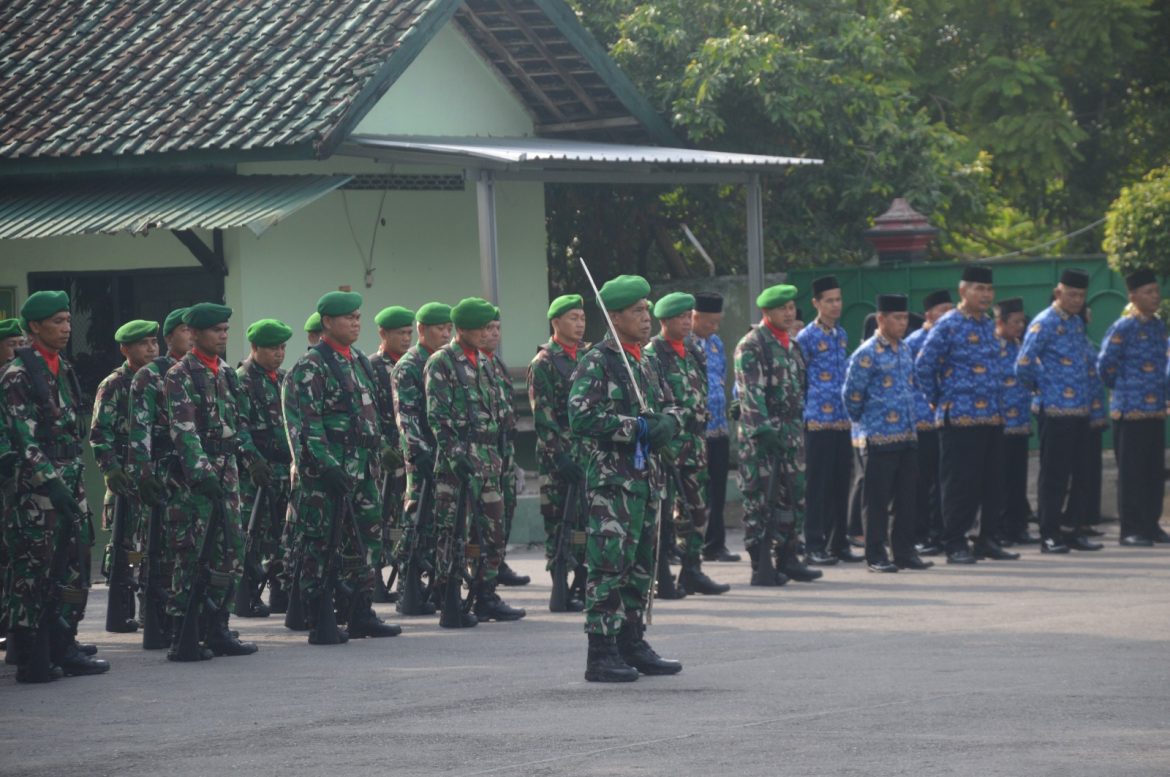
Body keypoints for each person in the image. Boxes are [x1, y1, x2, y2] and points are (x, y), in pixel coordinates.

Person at [569, 274, 682, 682]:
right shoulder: (598, 360)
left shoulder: (645, 360)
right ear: (614, 316)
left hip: (646, 479)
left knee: (639, 566)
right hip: (613, 481)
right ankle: (600, 651)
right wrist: (635, 427)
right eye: (636, 311)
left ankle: (632, 641)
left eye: (647, 309)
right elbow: (581, 417)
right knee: (608, 565)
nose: (646, 317)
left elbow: (670, 406)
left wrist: (668, 424)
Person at [282, 292, 401, 644]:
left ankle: (361, 612)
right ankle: (319, 616)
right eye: (347, 317)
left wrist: (381, 448)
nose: (355, 322)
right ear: (327, 323)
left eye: (357, 317)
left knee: (366, 541)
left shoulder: (359, 361)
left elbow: (370, 413)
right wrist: (325, 465)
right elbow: (305, 426)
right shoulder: (311, 367)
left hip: (362, 470)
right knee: (321, 544)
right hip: (327, 475)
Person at [2, 291, 108, 682]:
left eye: (67, 320)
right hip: (37, 490)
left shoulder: (61, 367)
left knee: (74, 565)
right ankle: (31, 652)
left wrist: (69, 484)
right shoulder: (17, 374)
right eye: (58, 322)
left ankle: (64, 641)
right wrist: (52, 483)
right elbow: (22, 438)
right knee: (35, 570)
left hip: (70, 479)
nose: (66, 328)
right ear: (34, 327)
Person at [164, 303, 261, 660]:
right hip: (196, 479)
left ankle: (218, 623)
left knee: (231, 549)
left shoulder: (226, 374)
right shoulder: (179, 374)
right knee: (192, 553)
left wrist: (248, 460)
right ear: (194, 334)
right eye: (215, 330)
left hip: (228, 470)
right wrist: (203, 473)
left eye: (225, 329)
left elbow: (240, 423)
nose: (223, 335)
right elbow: (183, 430)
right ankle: (183, 630)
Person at [426, 297, 525, 627]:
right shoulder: (443, 362)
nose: (488, 333)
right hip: (458, 462)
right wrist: (455, 455)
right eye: (482, 328)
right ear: (463, 330)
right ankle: (450, 595)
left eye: (490, 327)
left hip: (488, 458)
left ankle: (486, 594)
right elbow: (437, 417)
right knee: (451, 532)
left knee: (492, 530)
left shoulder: (485, 362)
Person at [916, 265, 1016, 564]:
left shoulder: (988, 325)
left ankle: (987, 539)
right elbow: (923, 365)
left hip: (992, 416)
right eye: (978, 289)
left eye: (989, 289)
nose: (985, 295)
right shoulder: (948, 324)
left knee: (992, 483)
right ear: (963, 291)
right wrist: (937, 400)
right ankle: (955, 542)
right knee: (960, 484)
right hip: (959, 417)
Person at [734, 284, 820, 585]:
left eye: (791, 307)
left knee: (793, 497)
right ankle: (761, 563)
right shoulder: (752, 344)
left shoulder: (792, 346)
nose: (789, 312)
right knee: (760, 499)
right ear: (766, 311)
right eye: (782, 308)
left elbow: (801, 389)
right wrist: (763, 429)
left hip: (791, 432)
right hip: (763, 437)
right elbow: (749, 394)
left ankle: (789, 556)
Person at [645, 292, 729, 597]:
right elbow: (650, 404)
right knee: (663, 513)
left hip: (695, 443)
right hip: (668, 447)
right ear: (665, 321)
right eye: (679, 318)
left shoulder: (694, 351)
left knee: (697, 510)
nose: (685, 322)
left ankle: (692, 570)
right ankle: (660, 574)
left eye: (686, 316)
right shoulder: (652, 355)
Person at [1017, 269, 1102, 554]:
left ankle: (1072, 529)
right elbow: (1024, 364)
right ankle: (1049, 533)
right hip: (1054, 411)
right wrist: (1043, 389)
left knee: (1081, 473)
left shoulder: (1077, 324)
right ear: (1058, 293)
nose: (1077, 300)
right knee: (1054, 475)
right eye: (1072, 294)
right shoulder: (1045, 322)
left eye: (1081, 295)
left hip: (1080, 411)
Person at [843, 294, 930, 572]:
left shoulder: (904, 349)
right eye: (897, 318)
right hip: (879, 435)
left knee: (906, 498)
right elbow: (851, 395)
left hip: (906, 434)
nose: (903, 323)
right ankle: (876, 554)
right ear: (881, 319)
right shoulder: (867, 353)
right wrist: (867, 422)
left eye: (905, 318)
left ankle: (904, 552)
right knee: (876, 500)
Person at [92, 319, 159, 632]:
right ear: (125, 348)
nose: (151, 348)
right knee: (126, 550)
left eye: (153, 342)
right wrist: (111, 469)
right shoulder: (114, 384)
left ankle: (150, 610)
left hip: (151, 477)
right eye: (143, 343)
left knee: (152, 547)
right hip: (124, 480)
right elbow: (99, 433)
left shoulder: (159, 380)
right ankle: (121, 611)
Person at [126, 308, 191, 629]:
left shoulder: (204, 372)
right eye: (185, 330)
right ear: (170, 338)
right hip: (162, 475)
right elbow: (139, 432)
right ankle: (151, 612)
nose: (192, 335)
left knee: (189, 549)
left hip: (193, 476)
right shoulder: (150, 376)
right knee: (152, 549)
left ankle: (188, 614)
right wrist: (143, 475)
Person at [1098, 268, 1170, 546]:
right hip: (1129, 410)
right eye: (1149, 292)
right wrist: (1125, 389)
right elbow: (1105, 366)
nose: (1155, 296)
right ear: (1133, 296)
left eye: (1156, 291)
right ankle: (1130, 529)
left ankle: (1150, 525)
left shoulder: (1158, 327)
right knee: (1131, 472)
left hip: (1155, 411)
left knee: (1153, 471)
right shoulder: (1123, 327)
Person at [528, 294, 589, 611]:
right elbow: (543, 415)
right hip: (558, 459)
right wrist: (559, 455)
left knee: (581, 523)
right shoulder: (545, 363)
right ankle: (559, 583)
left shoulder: (587, 357)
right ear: (556, 323)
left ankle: (580, 578)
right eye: (573, 318)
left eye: (582, 317)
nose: (579, 324)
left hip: (585, 455)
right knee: (559, 523)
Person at [392, 302, 451, 615]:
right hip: (422, 456)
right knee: (417, 521)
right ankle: (409, 585)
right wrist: (418, 450)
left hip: (446, 455)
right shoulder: (409, 365)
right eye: (438, 328)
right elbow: (407, 414)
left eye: (448, 328)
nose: (444, 333)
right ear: (421, 330)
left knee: (445, 524)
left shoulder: (445, 362)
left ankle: (439, 586)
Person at [796, 275, 858, 566]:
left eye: (838, 299)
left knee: (840, 483)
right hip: (817, 420)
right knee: (817, 485)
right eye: (829, 301)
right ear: (816, 303)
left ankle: (839, 542)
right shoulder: (806, 337)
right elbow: (799, 378)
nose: (835, 305)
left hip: (842, 419)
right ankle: (814, 543)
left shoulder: (841, 334)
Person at [234, 319, 294, 617]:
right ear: (255, 347)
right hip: (255, 472)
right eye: (272, 348)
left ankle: (281, 591)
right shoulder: (241, 380)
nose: (279, 353)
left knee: (284, 534)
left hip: (284, 469)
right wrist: (252, 460)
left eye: (282, 348)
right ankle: (247, 596)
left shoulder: (283, 379)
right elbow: (237, 427)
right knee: (252, 535)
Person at [483, 310, 530, 588]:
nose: (494, 333)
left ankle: (497, 561)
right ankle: (482, 570)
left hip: (504, 450)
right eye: (488, 328)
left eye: (497, 327)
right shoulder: (465, 365)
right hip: (482, 452)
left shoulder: (497, 364)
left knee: (506, 507)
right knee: (484, 516)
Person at [368, 306, 412, 603]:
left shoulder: (411, 365)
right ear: (384, 334)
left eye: (409, 333)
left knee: (400, 520)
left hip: (405, 455)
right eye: (400, 334)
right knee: (379, 518)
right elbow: (369, 412)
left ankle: (402, 572)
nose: (406, 339)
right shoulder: (372, 366)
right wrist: (382, 446)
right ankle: (375, 578)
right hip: (382, 457)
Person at [691, 293, 739, 563]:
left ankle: (715, 544)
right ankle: (689, 543)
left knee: (718, 490)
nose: (715, 328)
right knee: (694, 490)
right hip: (696, 431)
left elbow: (721, 379)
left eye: (718, 322)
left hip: (719, 427)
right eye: (711, 322)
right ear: (695, 317)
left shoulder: (716, 344)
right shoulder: (685, 345)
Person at [904, 290, 952, 555]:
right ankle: (920, 535)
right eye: (941, 309)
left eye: (950, 308)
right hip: (922, 421)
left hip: (945, 420)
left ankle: (941, 531)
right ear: (928, 315)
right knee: (921, 484)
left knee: (944, 481)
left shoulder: (952, 337)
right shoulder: (914, 342)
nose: (947, 314)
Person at [995, 298, 1037, 546]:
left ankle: (1017, 527)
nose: (1020, 326)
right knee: (998, 481)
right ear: (1000, 322)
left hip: (1021, 423)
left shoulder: (1022, 346)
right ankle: (997, 529)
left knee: (1017, 479)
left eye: (1022, 321)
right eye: (1015, 322)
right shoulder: (990, 348)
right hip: (999, 424)